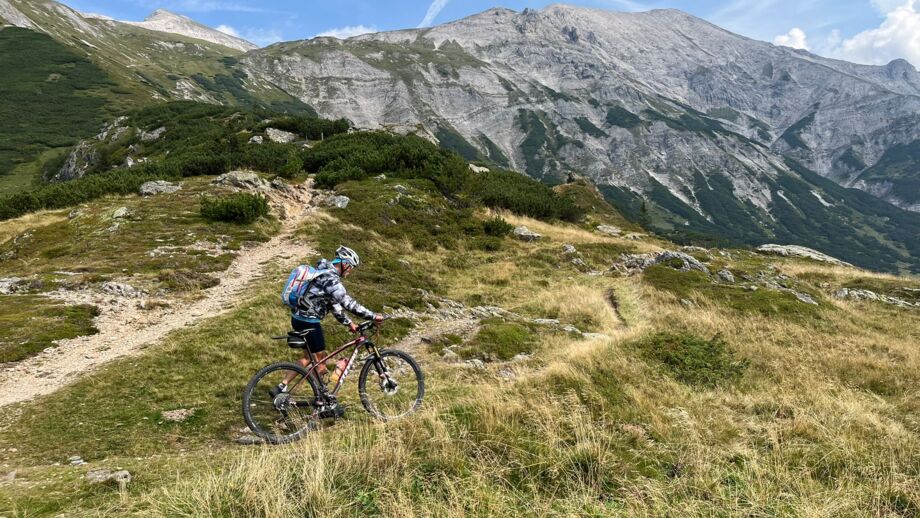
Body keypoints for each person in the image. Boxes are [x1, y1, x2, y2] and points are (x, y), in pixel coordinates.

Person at [270, 246, 384, 406]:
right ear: (344, 264)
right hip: (309, 322)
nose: (350, 271)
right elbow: (347, 302)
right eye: (350, 267)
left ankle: (281, 386)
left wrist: (349, 322)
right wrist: (373, 316)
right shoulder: (330, 278)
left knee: (308, 358)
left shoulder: (322, 273)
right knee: (320, 361)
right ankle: (321, 400)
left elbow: (333, 304)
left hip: (299, 319)